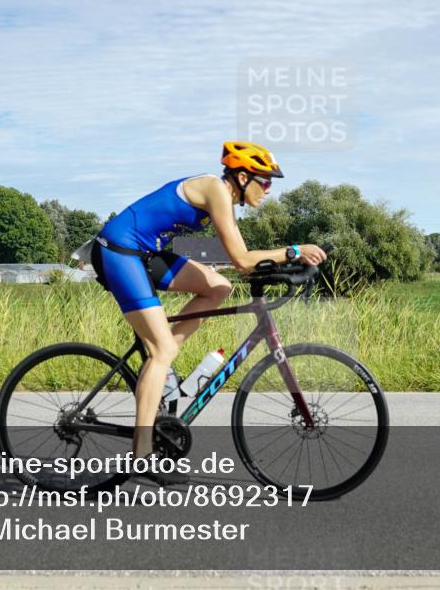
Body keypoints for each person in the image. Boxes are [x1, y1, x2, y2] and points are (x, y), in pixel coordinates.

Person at [92, 141, 327, 483]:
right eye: (265, 181)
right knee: (162, 351)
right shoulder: (216, 189)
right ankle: (142, 454)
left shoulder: (223, 197)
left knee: (218, 287)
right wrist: (294, 251)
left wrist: (283, 267)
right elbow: (243, 260)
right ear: (243, 176)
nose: (269, 189)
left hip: (144, 254)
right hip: (120, 251)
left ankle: (162, 361)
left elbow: (242, 268)